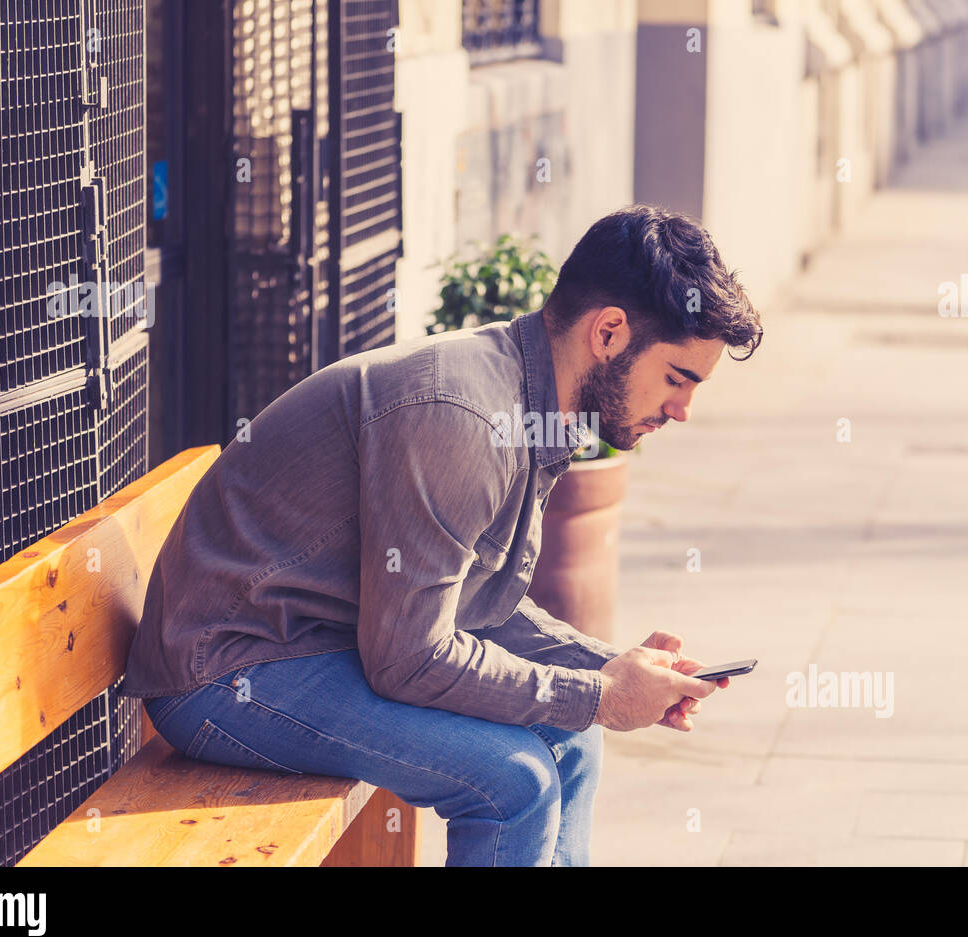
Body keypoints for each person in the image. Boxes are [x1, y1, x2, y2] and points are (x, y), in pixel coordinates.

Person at [122, 202, 765, 866]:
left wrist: (605, 667)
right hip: (226, 672)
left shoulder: (527, 395)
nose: (684, 410)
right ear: (609, 332)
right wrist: (600, 694)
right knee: (512, 782)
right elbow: (410, 660)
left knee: (572, 740)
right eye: (678, 378)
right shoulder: (463, 416)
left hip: (317, 645)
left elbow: (478, 604)